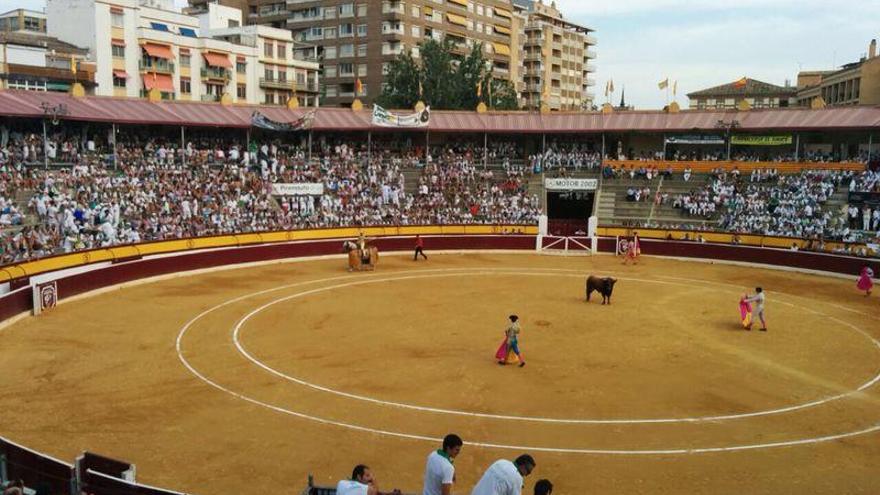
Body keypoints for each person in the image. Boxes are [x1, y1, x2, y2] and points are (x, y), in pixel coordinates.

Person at [471, 454, 536, 495]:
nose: (527, 475)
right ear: (522, 466)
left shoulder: (501, 461)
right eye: (528, 471)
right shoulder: (517, 478)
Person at [336, 464, 401, 495]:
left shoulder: (341, 483)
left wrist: (390, 493)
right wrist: (374, 480)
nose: (370, 478)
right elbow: (374, 492)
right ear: (359, 477)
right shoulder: (362, 488)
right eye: (367, 475)